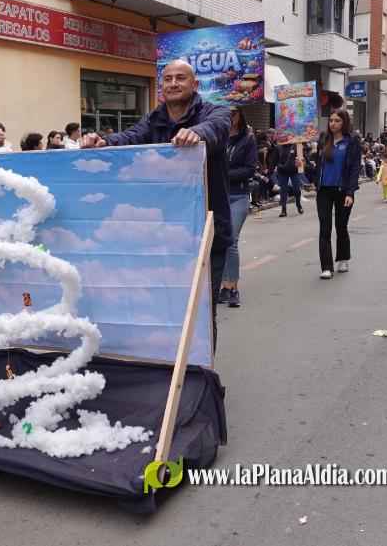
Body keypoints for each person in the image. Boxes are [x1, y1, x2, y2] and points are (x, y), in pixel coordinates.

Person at [80, 59, 232, 347]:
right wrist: (105, 142)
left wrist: (197, 134)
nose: (173, 84)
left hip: (206, 233)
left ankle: (202, 376)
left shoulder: (215, 113)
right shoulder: (154, 119)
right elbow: (132, 136)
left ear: (195, 85)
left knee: (201, 310)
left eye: (181, 78)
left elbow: (217, 128)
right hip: (166, 234)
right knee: (166, 306)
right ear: (161, 86)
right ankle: (170, 369)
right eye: (168, 79)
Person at [308, 108, 361, 279]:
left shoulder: (352, 141)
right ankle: (326, 267)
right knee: (324, 228)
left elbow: (354, 168)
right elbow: (317, 168)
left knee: (341, 226)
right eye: (331, 120)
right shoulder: (324, 140)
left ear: (344, 122)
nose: (332, 123)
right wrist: (304, 164)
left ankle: (343, 258)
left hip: (343, 191)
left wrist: (350, 192)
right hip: (324, 190)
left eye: (337, 121)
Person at [218, 105, 257, 308]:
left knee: (231, 240)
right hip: (217, 197)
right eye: (226, 111)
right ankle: (223, 286)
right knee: (221, 242)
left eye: (234, 111)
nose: (230, 115)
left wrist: (224, 175)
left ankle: (233, 287)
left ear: (240, 114)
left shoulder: (248, 139)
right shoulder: (216, 136)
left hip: (238, 195)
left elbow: (250, 169)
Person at [274, 143, 304, 217]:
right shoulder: (279, 147)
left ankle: (298, 203)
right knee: (283, 190)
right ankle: (283, 209)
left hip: (295, 171)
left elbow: (303, 158)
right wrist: (269, 172)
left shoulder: (297, 146)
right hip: (282, 172)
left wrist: (306, 164)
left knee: (297, 189)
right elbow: (274, 160)